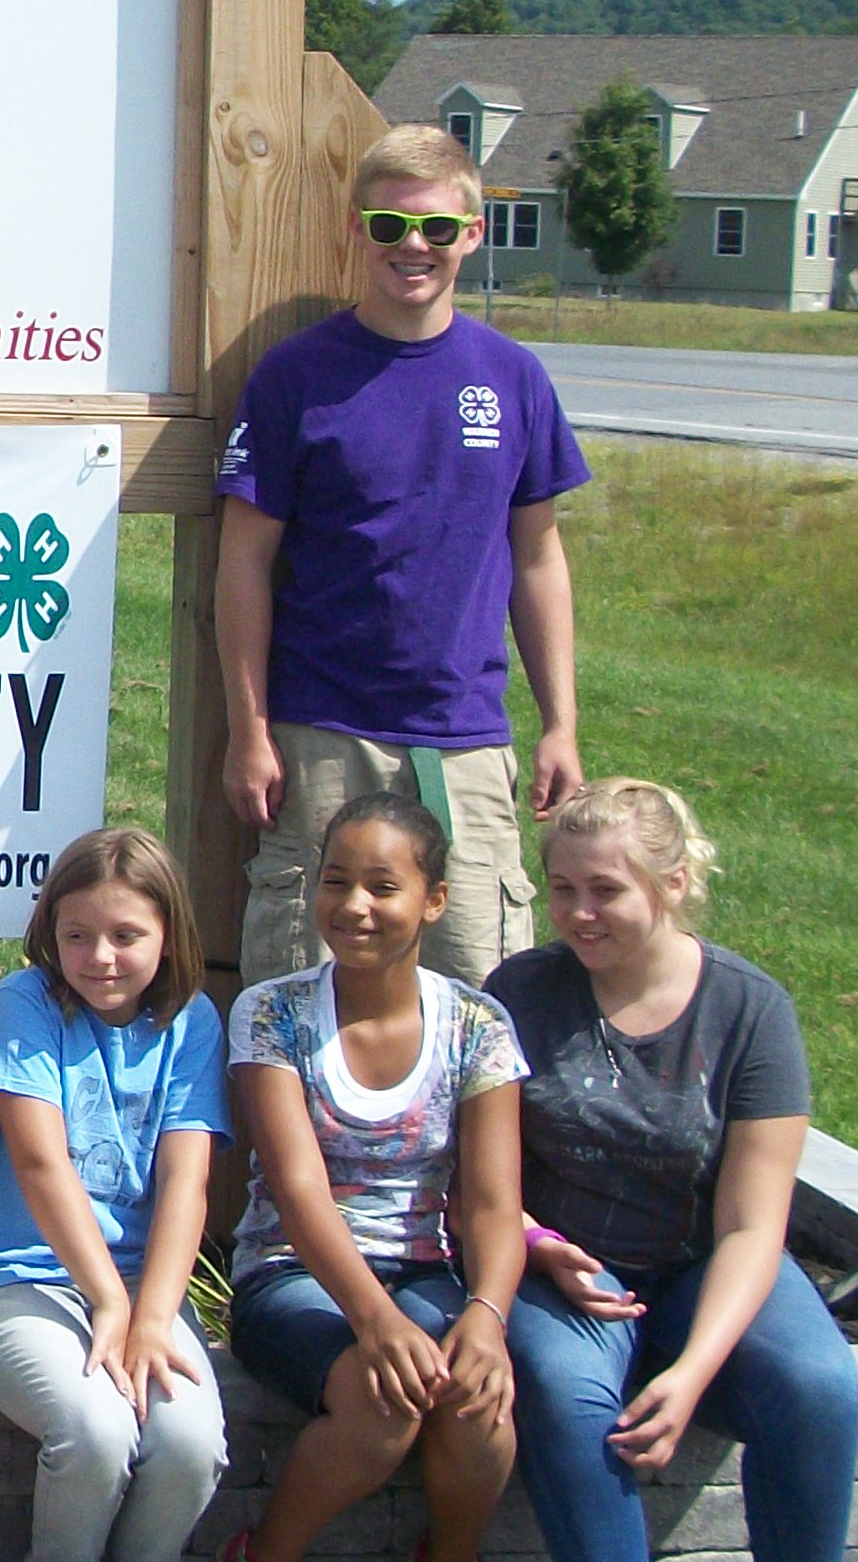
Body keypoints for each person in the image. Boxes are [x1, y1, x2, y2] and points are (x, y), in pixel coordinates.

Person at [495, 779, 858, 1562]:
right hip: (565, 1267)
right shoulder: (522, 993)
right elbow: (480, 1175)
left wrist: (691, 1373)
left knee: (816, 1384)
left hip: (701, 1262)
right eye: (563, 889)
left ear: (674, 883)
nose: (579, 913)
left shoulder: (748, 1010)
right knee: (567, 1392)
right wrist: (538, 1246)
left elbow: (751, 1225)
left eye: (606, 890)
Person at [215, 119, 591, 988]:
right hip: (322, 732)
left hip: (466, 735)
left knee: (484, 993)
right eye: (389, 225)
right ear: (358, 230)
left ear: (473, 233)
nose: (412, 245)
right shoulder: (296, 376)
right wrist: (249, 730)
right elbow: (243, 562)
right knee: (301, 993)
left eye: (435, 226)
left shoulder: (513, 378)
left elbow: (538, 558)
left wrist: (560, 723)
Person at [219, 792, 531, 1562]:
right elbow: (299, 1189)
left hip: (427, 1271)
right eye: (336, 882)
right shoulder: (273, 1015)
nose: (354, 906)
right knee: (382, 1399)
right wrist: (376, 1319)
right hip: (294, 1274)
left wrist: (486, 1315)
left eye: (383, 887)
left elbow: (493, 1202)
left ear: (433, 901)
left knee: (479, 1403)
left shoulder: (477, 1027)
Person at [0, 826, 231, 1562]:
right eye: (78, 935)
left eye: (126, 936)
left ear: (168, 936)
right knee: (96, 1427)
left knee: (190, 1442)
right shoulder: (26, 1005)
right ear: (49, 933)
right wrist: (109, 1300)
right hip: (15, 1279)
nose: (100, 957)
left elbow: (186, 1179)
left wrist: (154, 1313)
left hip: (142, 1287)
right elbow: (40, 1163)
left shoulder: (192, 1022)